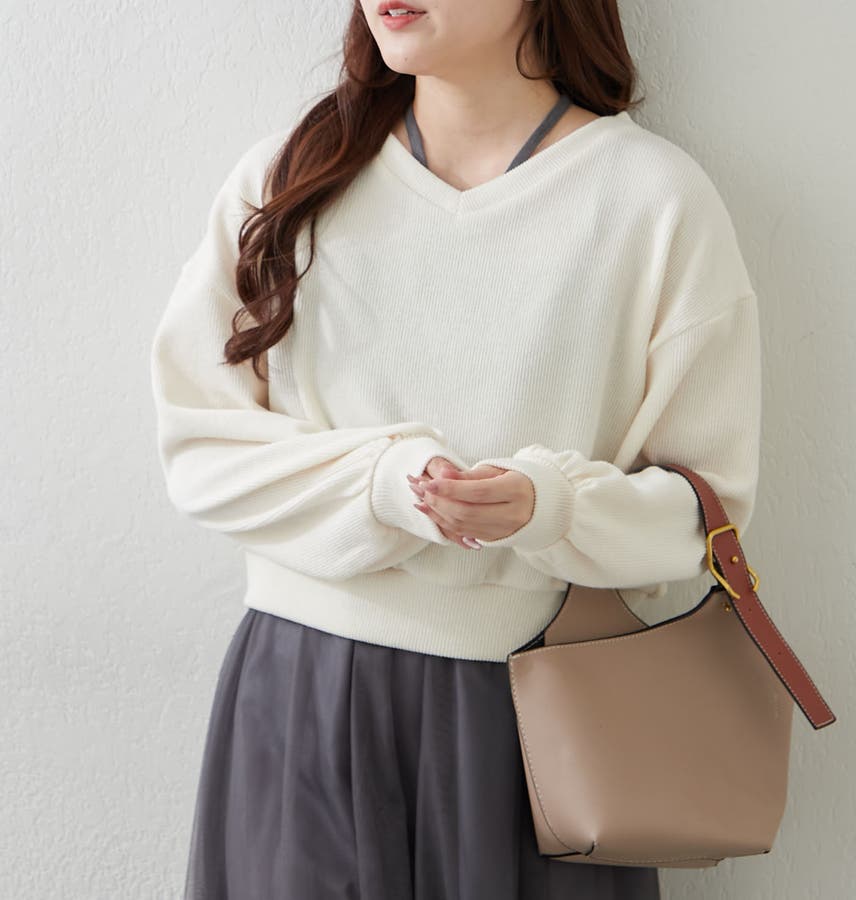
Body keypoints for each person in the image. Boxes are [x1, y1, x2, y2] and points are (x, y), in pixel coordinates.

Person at [150, 0, 761, 897]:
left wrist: (551, 508)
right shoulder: (290, 178)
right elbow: (200, 447)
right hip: (302, 695)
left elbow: (703, 519)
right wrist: (383, 484)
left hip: (545, 723)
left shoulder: (653, 199)